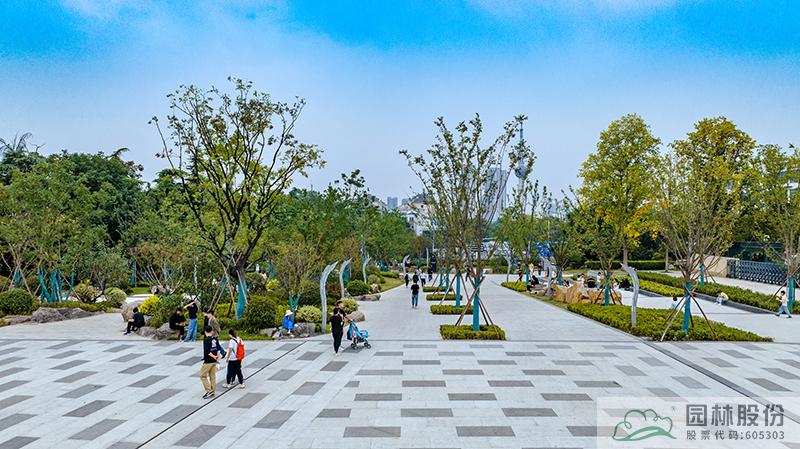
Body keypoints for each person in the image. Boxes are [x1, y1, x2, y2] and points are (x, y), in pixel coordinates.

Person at [199, 325, 221, 399]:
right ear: (211, 331)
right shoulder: (215, 339)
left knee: (202, 375)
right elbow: (218, 348)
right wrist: (217, 357)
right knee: (212, 376)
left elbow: (207, 351)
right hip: (214, 361)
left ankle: (209, 391)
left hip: (208, 361)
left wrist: (214, 356)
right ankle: (213, 391)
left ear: (205, 332)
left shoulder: (206, 340)